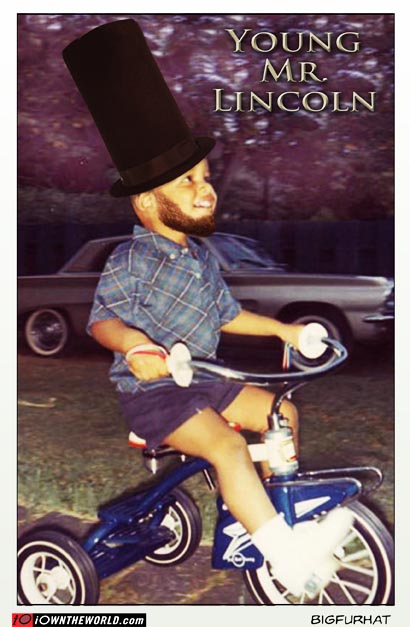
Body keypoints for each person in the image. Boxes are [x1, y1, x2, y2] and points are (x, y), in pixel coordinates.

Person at [63, 18, 352, 598]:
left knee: (280, 415)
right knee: (226, 446)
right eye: (187, 182)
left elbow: (226, 315)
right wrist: (135, 347)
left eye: (204, 176)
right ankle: (286, 559)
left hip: (207, 381)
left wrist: (286, 332)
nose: (205, 188)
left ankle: (260, 521)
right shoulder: (130, 259)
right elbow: (103, 322)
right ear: (147, 203)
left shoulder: (200, 258)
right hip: (154, 394)